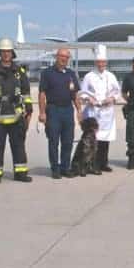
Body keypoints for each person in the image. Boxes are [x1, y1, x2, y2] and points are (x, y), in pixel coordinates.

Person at [0, 38, 33, 185]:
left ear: (12, 53)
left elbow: (26, 92)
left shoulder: (19, 71)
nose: (6, 54)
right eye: (3, 51)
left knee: (19, 146)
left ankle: (21, 173)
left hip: (17, 116)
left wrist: (29, 110)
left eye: (8, 51)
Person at [38, 48, 81, 179]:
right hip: (53, 110)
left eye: (66, 57)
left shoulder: (71, 74)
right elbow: (42, 94)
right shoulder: (47, 73)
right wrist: (42, 112)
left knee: (68, 141)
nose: (64, 59)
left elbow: (75, 95)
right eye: (62, 56)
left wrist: (79, 111)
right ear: (56, 57)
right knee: (53, 141)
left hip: (68, 110)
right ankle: (55, 169)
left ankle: (65, 168)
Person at [81, 44, 121, 173]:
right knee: (93, 139)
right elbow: (82, 93)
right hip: (93, 112)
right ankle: (92, 165)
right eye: (99, 62)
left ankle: (103, 163)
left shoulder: (111, 76)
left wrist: (112, 98)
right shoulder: (89, 76)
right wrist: (89, 99)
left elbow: (117, 92)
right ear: (95, 62)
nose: (101, 64)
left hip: (107, 112)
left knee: (105, 140)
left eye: (103, 62)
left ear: (106, 62)